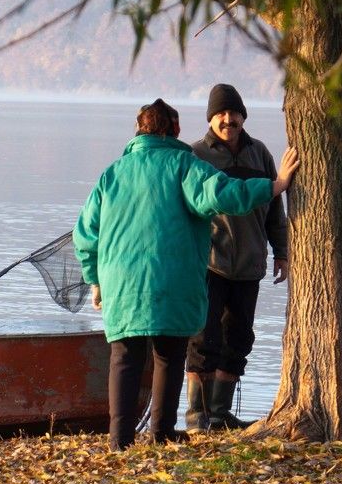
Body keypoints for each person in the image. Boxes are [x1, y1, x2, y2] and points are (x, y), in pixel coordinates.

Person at [73, 98, 300, 451]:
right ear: (175, 130)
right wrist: (275, 185)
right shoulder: (184, 165)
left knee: (125, 358)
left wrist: (95, 280)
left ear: (139, 129)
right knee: (169, 354)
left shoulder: (113, 173)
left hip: (121, 281)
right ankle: (162, 432)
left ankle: (119, 440)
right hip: (173, 279)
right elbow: (222, 193)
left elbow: (85, 233)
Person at [185, 83, 291, 433]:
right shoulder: (197, 155)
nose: (228, 119)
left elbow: (275, 206)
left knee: (239, 339)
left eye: (234, 113)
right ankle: (196, 417)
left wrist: (282, 251)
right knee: (203, 338)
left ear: (243, 116)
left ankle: (220, 414)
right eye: (221, 114)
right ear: (211, 118)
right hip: (209, 263)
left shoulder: (259, 153)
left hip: (250, 264)